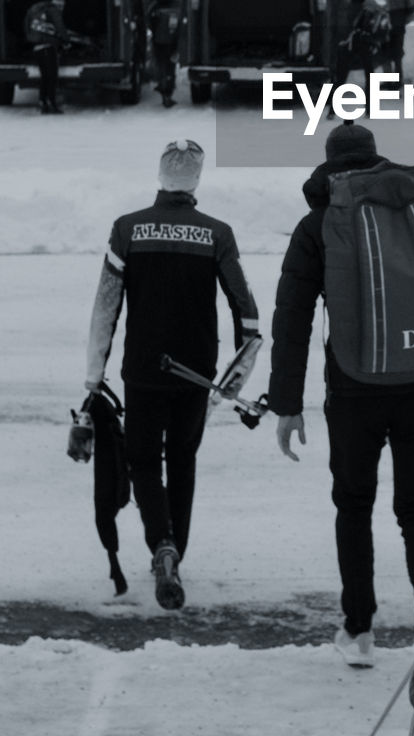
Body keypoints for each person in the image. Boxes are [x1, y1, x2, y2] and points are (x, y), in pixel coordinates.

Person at [268, 122, 414, 667]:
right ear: (375, 159)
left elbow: (293, 317)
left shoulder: (317, 223)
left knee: (354, 505)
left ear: (330, 167)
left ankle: (359, 631)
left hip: (354, 387)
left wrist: (287, 403)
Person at [84, 139, 260, 610]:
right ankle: (174, 551)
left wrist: (93, 375)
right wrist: (234, 380)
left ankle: (160, 543)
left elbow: (106, 309)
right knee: (182, 460)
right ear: (196, 179)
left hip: (142, 369)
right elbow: (249, 316)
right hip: (196, 372)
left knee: (142, 460)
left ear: (160, 177)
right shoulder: (217, 234)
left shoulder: (127, 230)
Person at [24, 0, 70, 114]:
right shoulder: (54, 11)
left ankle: (42, 102)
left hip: (37, 47)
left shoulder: (37, 9)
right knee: (52, 77)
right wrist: (66, 41)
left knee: (45, 77)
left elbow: (27, 25)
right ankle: (52, 103)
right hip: (48, 47)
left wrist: (30, 38)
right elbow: (60, 27)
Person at [374, 0, 414, 74]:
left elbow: (373, 7)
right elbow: (411, 8)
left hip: (383, 26)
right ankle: (398, 79)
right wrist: (405, 20)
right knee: (397, 54)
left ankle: (388, 79)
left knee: (385, 53)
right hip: (399, 26)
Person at [149, 0, 180, 107]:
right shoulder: (177, 6)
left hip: (158, 41)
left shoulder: (155, 6)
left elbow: (149, 21)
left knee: (161, 65)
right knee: (170, 68)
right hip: (172, 42)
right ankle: (168, 93)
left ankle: (163, 87)